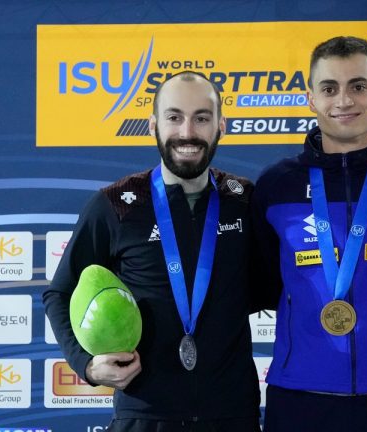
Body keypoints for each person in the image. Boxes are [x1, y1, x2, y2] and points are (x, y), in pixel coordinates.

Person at [43, 71, 261, 432]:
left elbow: (276, 285)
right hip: (144, 415)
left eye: (201, 118)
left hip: (231, 414)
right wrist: (86, 364)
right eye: (174, 117)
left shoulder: (246, 201)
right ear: (153, 125)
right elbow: (59, 292)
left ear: (221, 124)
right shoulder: (116, 205)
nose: (187, 132)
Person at [251, 36, 367, 432]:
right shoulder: (276, 185)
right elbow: (267, 283)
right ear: (310, 99)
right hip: (299, 393)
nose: (344, 100)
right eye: (329, 88)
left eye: (358, 86)